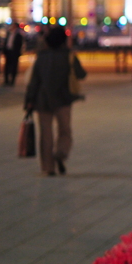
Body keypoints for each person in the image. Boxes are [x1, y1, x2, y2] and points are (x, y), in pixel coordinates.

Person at [24, 26, 85, 176]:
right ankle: (60, 153)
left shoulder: (42, 56)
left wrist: (29, 101)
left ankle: (48, 167)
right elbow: (81, 74)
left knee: (46, 133)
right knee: (65, 130)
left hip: (43, 99)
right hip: (63, 98)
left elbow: (34, 81)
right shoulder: (69, 56)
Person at [3, 20, 23, 86]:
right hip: (8, 52)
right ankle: (6, 80)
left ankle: (12, 81)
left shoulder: (19, 35)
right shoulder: (9, 33)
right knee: (7, 66)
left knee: (14, 66)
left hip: (14, 53)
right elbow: (6, 43)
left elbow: (19, 45)